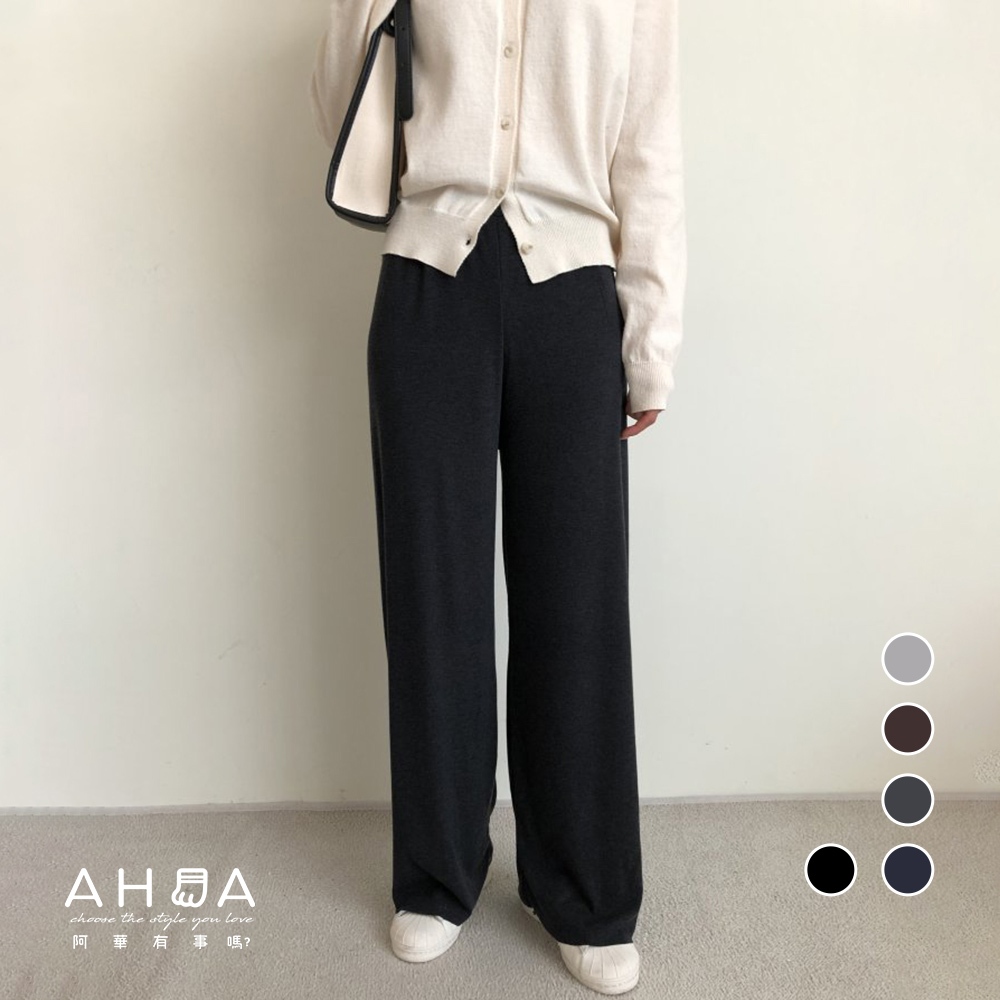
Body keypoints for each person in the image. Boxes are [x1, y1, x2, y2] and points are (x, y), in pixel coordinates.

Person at [309, 0, 686, 993]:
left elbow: (649, 146)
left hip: (573, 290)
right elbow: (337, 100)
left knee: (577, 603)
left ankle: (586, 891)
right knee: (433, 598)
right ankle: (437, 877)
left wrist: (650, 339)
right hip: (428, 282)